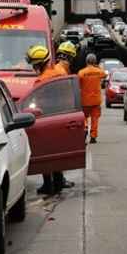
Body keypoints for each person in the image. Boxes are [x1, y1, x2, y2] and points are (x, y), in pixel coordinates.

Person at [26, 45, 73, 195]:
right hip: (63, 116)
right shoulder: (60, 71)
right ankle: (58, 182)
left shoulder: (41, 80)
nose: (34, 68)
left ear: (40, 63)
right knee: (57, 151)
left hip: (46, 119)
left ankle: (48, 185)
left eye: (34, 64)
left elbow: (36, 101)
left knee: (45, 153)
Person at [78, 53, 107, 144]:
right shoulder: (99, 72)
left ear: (86, 61)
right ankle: (93, 136)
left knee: (84, 117)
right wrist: (96, 66)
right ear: (95, 61)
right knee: (95, 119)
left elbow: (78, 84)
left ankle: (85, 127)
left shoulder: (81, 72)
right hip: (96, 100)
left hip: (84, 100)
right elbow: (104, 74)